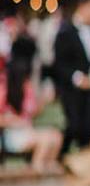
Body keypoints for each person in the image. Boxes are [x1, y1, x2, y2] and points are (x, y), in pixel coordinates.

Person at [0, 35, 63, 172]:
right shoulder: (3, 88)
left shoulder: (26, 87)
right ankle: (36, 170)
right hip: (10, 135)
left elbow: (32, 112)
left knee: (56, 136)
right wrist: (13, 121)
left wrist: (44, 101)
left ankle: (48, 172)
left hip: (25, 130)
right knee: (45, 140)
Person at [51, 0, 90, 155]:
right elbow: (59, 64)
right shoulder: (66, 31)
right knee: (73, 125)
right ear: (82, 7)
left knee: (87, 126)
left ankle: (84, 160)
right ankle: (61, 154)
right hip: (71, 89)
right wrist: (78, 78)